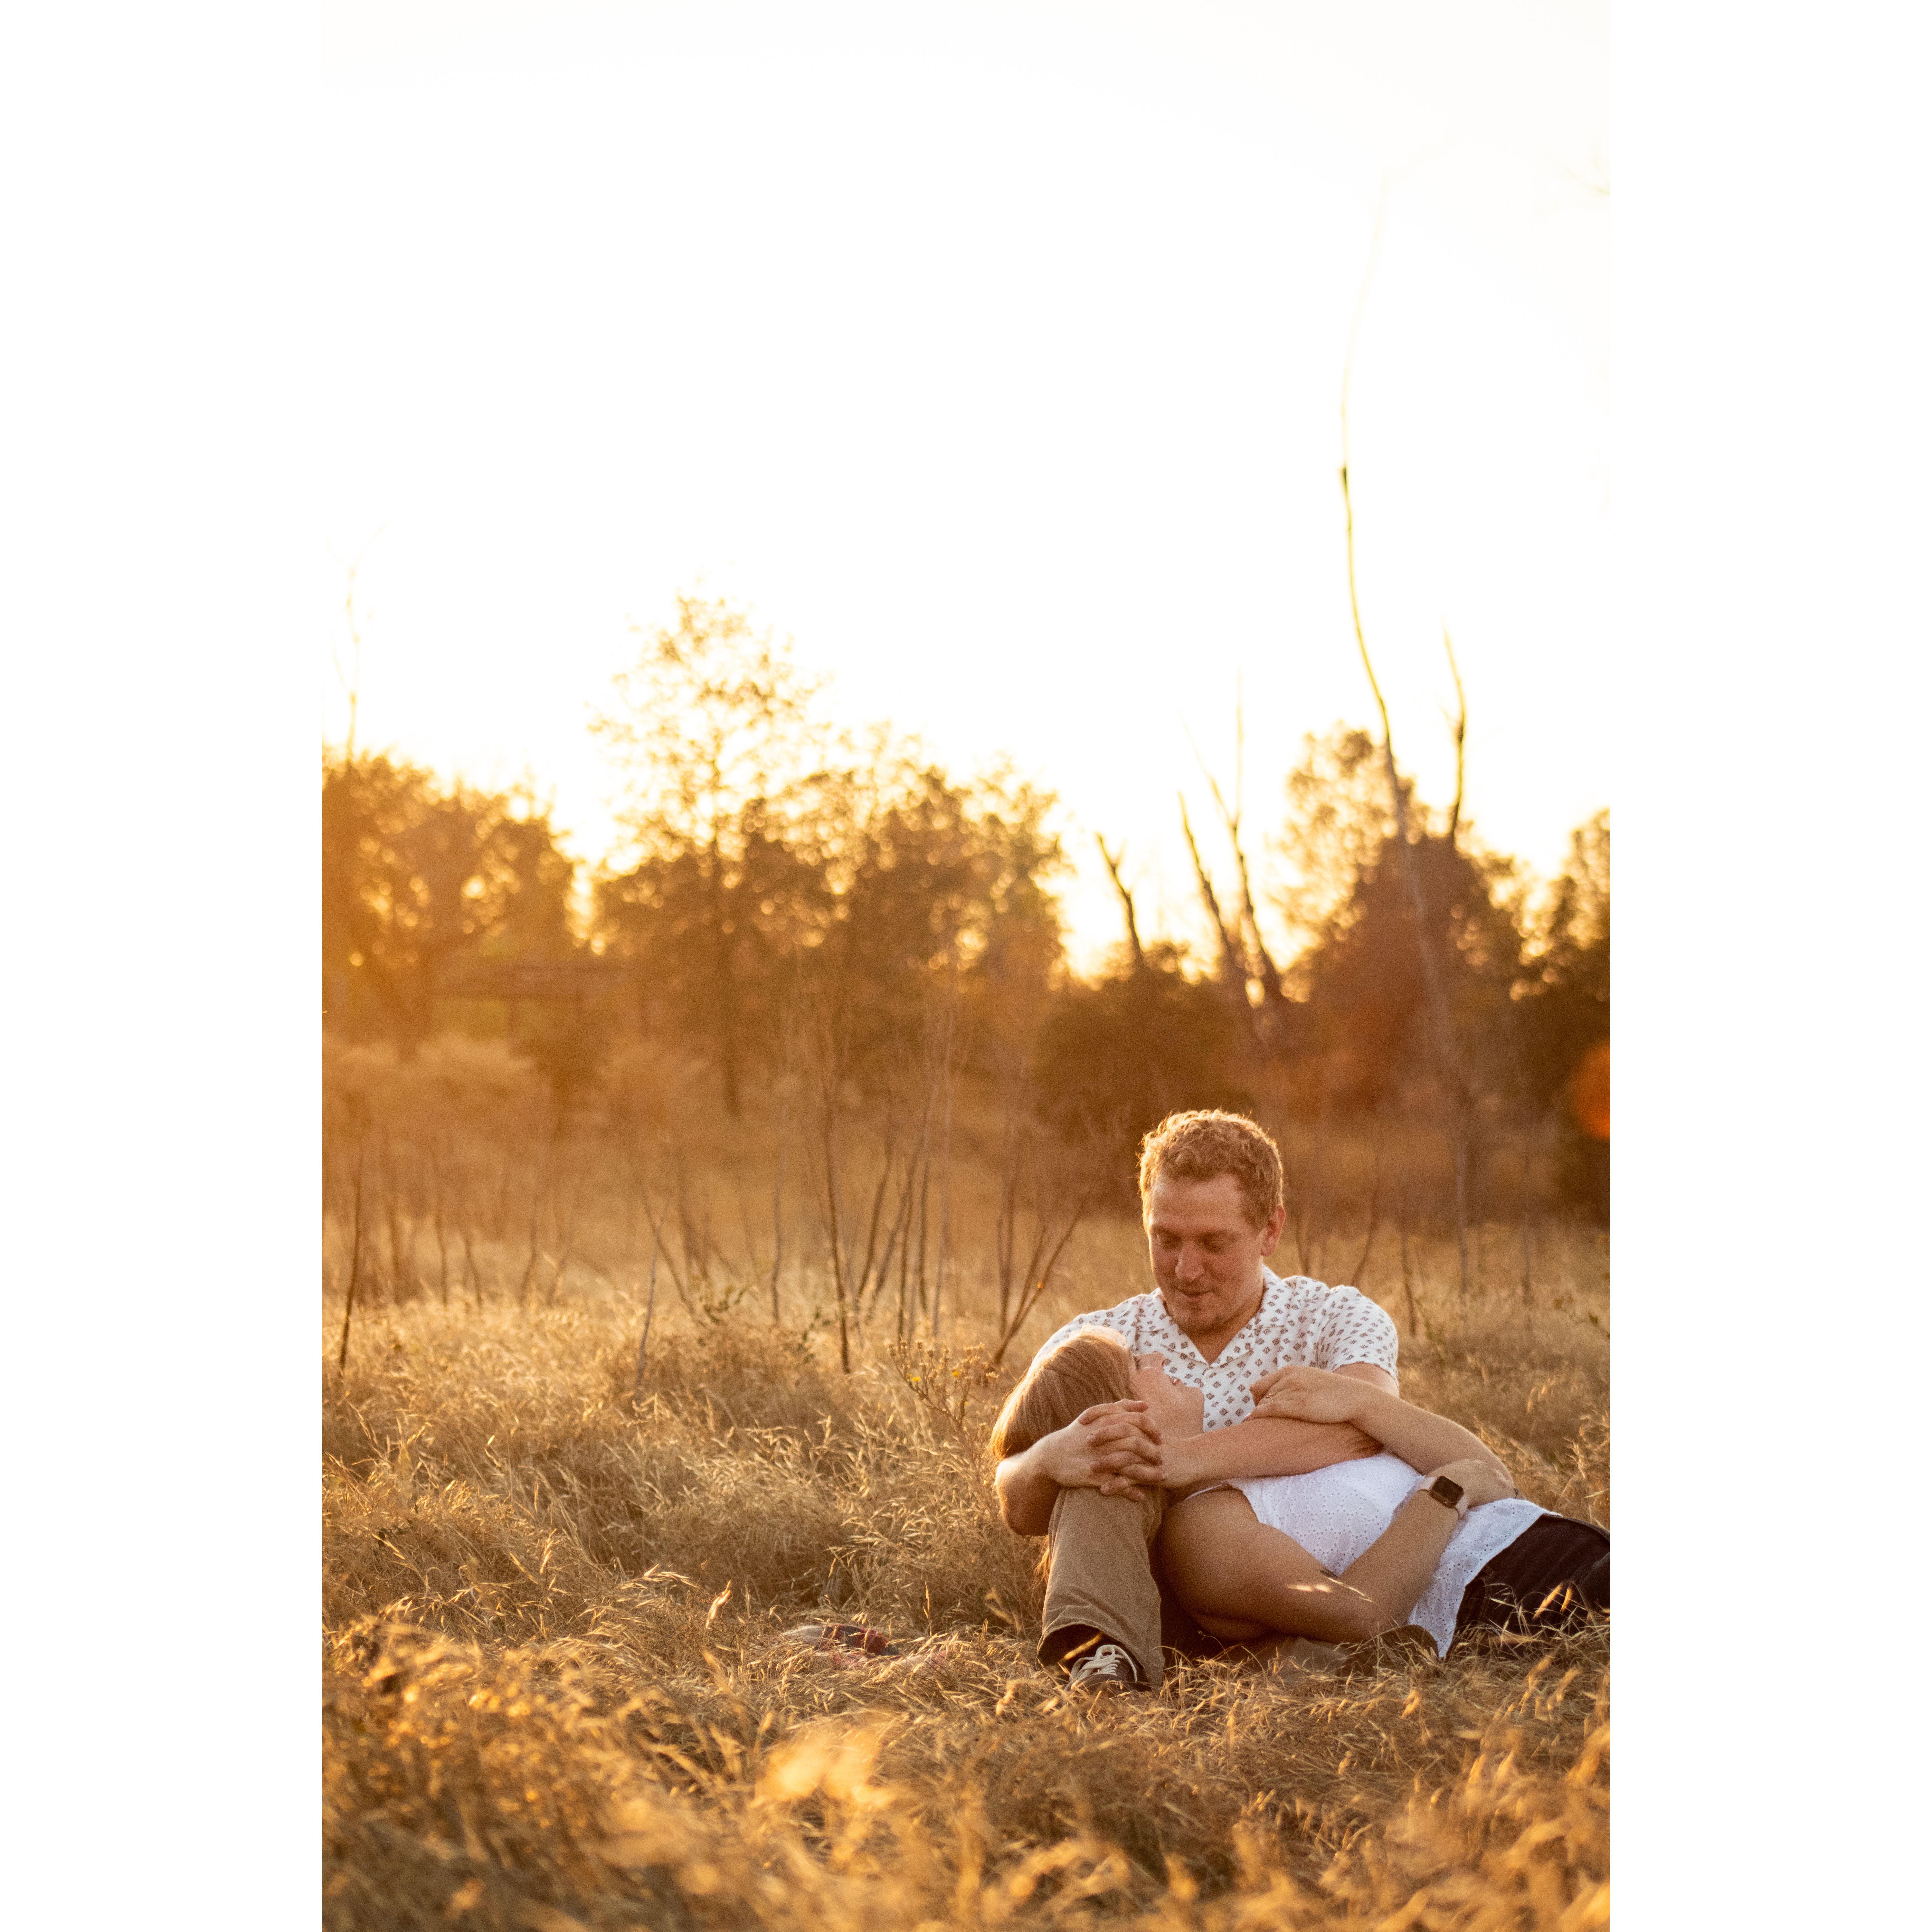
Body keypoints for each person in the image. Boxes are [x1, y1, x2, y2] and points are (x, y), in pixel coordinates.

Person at [992, 1109, 1411, 1692]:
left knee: (1137, 1456)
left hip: (1288, 1584)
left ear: (1270, 1229)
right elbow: (1014, 1499)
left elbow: (1368, 1425)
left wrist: (1185, 1460)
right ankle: (1103, 1663)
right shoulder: (1101, 1336)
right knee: (1110, 1454)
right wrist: (1050, 1459)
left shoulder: (1334, 1317)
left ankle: (1286, 1659)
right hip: (1141, 1597)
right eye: (1166, 1241)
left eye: (1215, 1244)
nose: (1187, 1271)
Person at [995, 1332, 1608, 1672]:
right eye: (1136, 1363)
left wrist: (1359, 1400)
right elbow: (1361, 1614)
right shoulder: (1203, 1530)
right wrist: (1444, 1493)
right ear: (1113, 1417)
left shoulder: (1257, 1447)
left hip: (1566, 1544)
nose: (1156, 1355)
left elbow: (1494, 1473)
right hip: (1514, 1599)